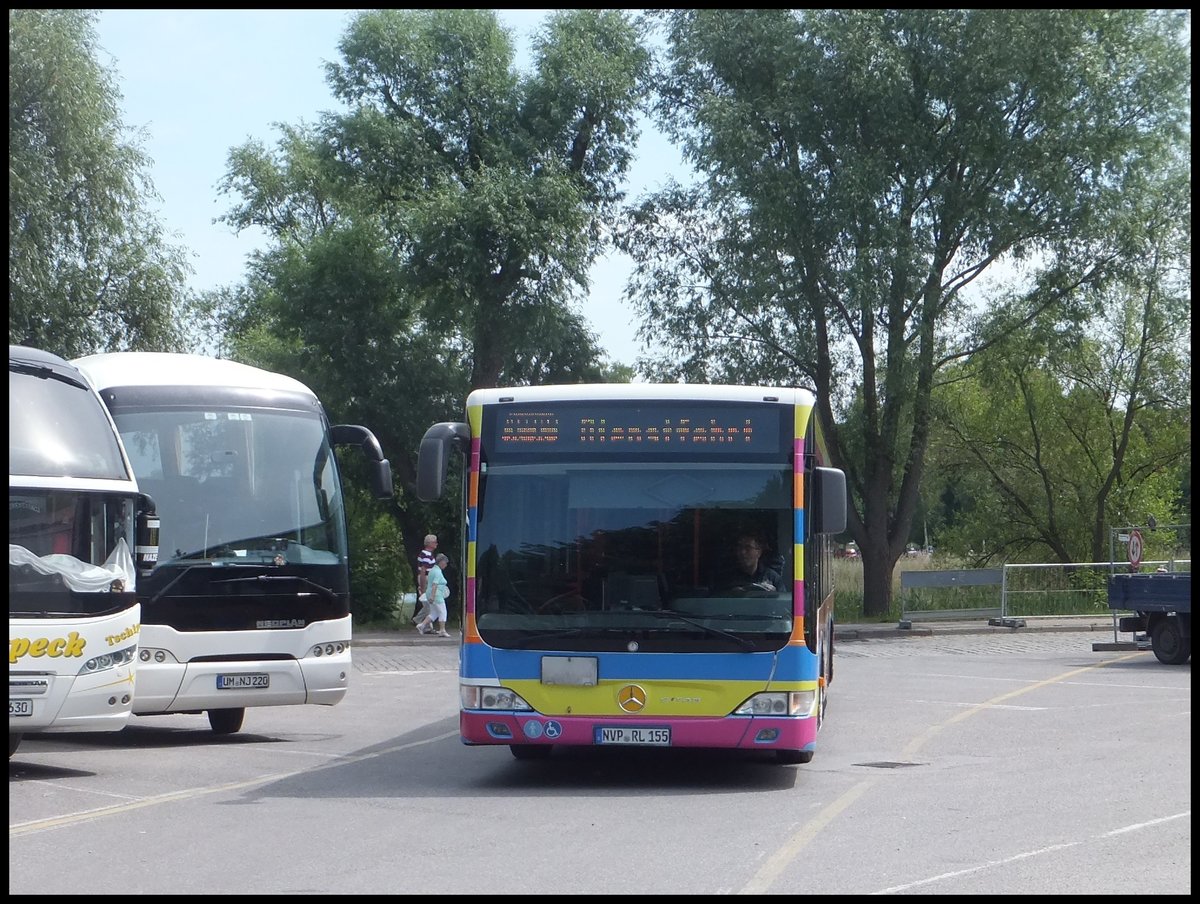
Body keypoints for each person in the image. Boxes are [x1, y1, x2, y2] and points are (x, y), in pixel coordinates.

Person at [416, 553, 452, 637]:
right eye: (445, 563)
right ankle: (442, 630)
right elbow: (435, 584)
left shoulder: (432, 570)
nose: (446, 565)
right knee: (443, 611)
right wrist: (432, 596)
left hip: (430, 594)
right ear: (441, 562)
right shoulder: (438, 572)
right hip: (436, 595)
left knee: (434, 613)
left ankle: (422, 625)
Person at [412, 534, 438, 626]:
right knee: (429, 603)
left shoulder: (427, 554)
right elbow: (423, 571)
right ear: (429, 543)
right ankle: (425, 625)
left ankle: (418, 620)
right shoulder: (426, 555)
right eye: (435, 542)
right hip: (426, 579)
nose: (436, 544)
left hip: (427, 579)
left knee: (429, 603)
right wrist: (422, 587)